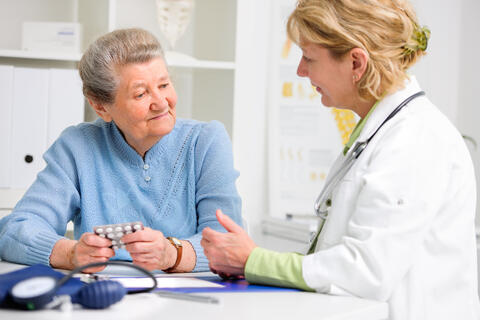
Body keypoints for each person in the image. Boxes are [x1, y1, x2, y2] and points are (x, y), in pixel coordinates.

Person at [201, 1, 480, 319]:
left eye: (308, 57)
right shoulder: (381, 132)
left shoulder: (415, 139)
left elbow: (365, 271)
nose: (300, 71)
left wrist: (253, 261)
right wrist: (249, 263)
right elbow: (341, 260)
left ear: (356, 63)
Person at [0, 28, 242, 273]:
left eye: (164, 84)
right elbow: (15, 230)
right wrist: (72, 254)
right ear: (101, 107)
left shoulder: (205, 141)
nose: (161, 102)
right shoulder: (78, 146)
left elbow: (228, 243)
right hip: (101, 299)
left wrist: (171, 254)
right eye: (141, 93)